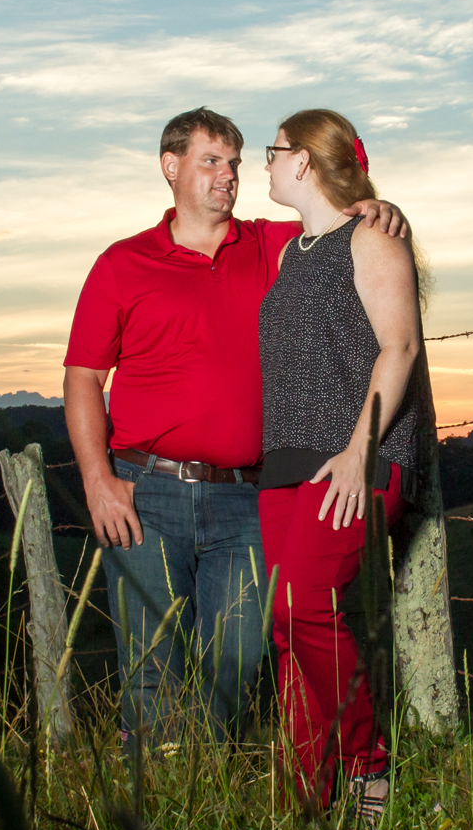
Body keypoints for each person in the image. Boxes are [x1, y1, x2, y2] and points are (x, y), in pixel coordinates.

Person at [63, 107, 404, 748]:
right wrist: (96, 478)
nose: (229, 177)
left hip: (247, 498)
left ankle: (207, 791)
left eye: (236, 164)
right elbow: (83, 377)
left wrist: (378, 208)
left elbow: (336, 224)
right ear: (171, 166)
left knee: (238, 660)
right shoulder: (122, 263)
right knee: (151, 666)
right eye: (211, 161)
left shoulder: (269, 245)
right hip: (145, 493)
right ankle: (161, 812)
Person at [255, 109, 424, 826]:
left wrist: (359, 449)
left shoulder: (372, 238)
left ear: (303, 163)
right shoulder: (294, 251)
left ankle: (367, 764)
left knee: (305, 605)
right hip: (284, 464)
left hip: (354, 456)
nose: (265, 164)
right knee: (285, 628)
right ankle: (310, 800)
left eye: (273, 151)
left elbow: (401, 348)